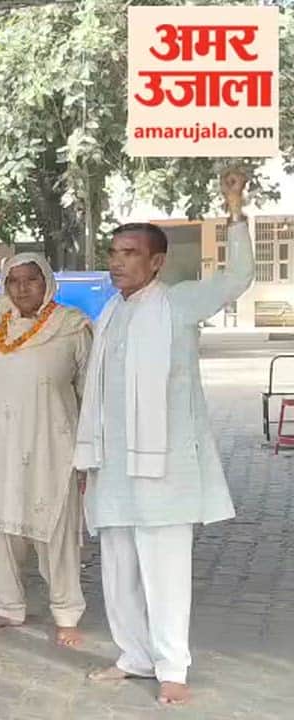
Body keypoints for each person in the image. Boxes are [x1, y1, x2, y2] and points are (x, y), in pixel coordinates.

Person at [77, 169, 253, 705]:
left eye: (129, 253)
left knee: (165, 570)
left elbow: (237, 278)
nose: (117, 262)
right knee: (118, 569)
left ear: (156, 262)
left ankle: (172, 666)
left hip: (165, 469)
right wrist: (88, 461)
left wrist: (234, 209)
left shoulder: (177, 303)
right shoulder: (111, 312)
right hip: (113, 467)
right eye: (113, 253)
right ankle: (133, 656)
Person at [0, 200, 91, 647]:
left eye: (31, 279)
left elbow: (91, 393)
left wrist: (90, 452)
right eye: (14, 280)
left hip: (51, 446)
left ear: (47, 283)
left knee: (55, 531)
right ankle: (7, 607)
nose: (22, 287)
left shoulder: (72, 325)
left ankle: (66, 612)